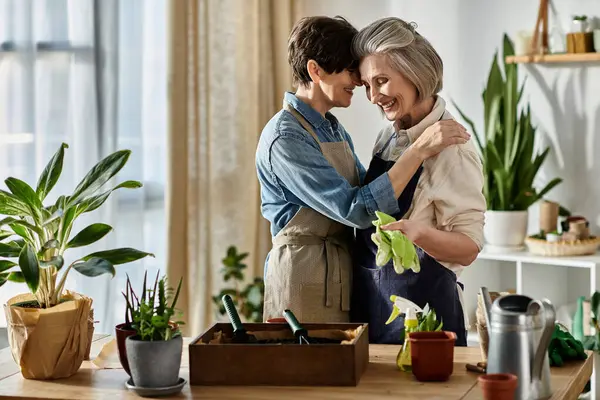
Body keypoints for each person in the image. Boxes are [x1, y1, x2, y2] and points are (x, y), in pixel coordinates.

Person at [255, 15, 471, 324]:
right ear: (315, 70)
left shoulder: (331, 128)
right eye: (349, 70)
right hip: (302, 279)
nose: (358, 82)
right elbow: (356, 208)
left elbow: (368, 190)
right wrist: (419, 148)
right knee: (307, 370)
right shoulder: (286, 138)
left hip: (343, 277)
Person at [349, 17, 486, 346]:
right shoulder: (388, 137)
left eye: (381, 80)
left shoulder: (454, 150)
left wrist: (418, 234)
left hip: (426, 320)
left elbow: (469, 248)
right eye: (367, 84)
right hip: (376, 305)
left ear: (414, 73)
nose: (372, 96)